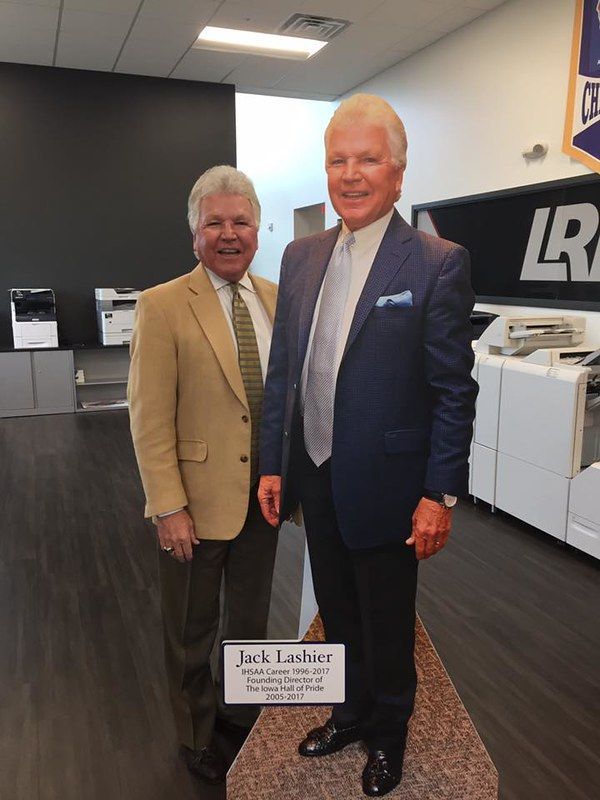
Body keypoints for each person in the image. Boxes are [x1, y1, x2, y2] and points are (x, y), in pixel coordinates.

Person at [258, 94, 477, 798]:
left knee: (386, 620)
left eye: (368, 160)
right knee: (338, 608)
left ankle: (388, 734)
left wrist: (439, 493)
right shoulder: (301, 256)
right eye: (338, 161)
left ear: (398, 173)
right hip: (314, 470)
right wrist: (273, 465)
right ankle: (349, 714)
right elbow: (284, 372)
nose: (350, 175)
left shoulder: (436, 263)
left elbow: (453, 390)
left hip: (389, 481)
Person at [128, 165, 278, 785]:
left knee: (249, 625)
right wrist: (168, 506)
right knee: (191, 631)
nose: (229, 233)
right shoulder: (162, 304)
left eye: (241, 221)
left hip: (265, 500)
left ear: (258, 230)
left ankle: (238, 717)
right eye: (214, 222)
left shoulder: (277, 299)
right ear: (194, 232)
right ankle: (195, 733)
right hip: (193, 504)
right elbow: (148, 416)